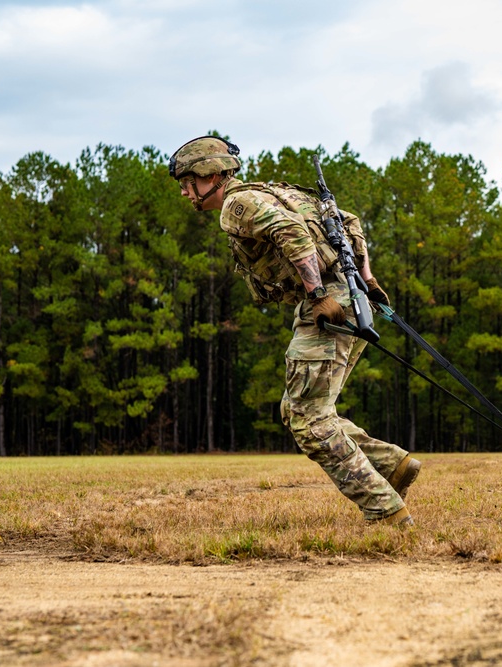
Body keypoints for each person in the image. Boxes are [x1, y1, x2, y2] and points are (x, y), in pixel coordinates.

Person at [169, 135, 420, 525]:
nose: (185, 192)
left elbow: (292, 234)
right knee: (299, 409)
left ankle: (385, 512)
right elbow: (348, 221)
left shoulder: (237, 204)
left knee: (308, 420)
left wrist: (318, 293)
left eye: (189, 182)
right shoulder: (279, 193)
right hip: (352, 298)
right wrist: (367, 280)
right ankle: (392, 465)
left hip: (330, 303)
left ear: (213, 175)